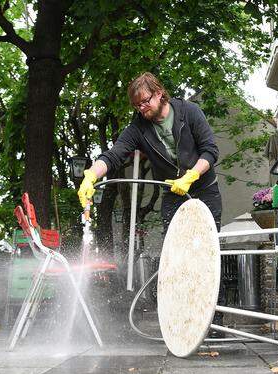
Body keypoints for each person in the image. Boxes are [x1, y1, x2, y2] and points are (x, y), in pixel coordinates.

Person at [77, 72, 226, 335]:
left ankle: (214, 322)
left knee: (208, 254)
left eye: (145, 102)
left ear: (159, 93)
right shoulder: (138, 128)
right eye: (136, 105)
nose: (141, 108)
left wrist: (192, 174)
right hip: (172, 193)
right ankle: (182, 321)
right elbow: (113, 155)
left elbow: (210, 150)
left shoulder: (189, 112)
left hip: (204, 189)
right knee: (175, 258)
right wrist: (91, 174)